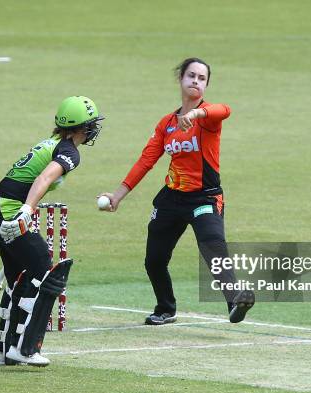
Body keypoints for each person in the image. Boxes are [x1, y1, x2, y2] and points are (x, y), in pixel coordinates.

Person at [98, 58, 254, 325]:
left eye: (202, 78)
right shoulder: (166, 124)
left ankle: (235, 300)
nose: (195, 81)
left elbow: (225, 109)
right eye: (191, 75)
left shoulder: (208, 117)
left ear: (205, 85)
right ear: (180, 79)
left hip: (205, 196)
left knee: (213, 247)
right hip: (172, 198)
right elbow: (146, 160)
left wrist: (195, 114)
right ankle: (165, 308)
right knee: (154, 260)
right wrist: (117, 196)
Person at [0, 96, 103, 366]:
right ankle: (24, 348)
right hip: (9, 208)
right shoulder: (69, 151)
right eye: (92, 123)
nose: (94, 128)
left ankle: (2, 351)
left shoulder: (51, 143)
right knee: (41, 264)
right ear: (82, 127)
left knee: (17, 276)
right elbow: (44, 178)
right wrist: (27, 210)